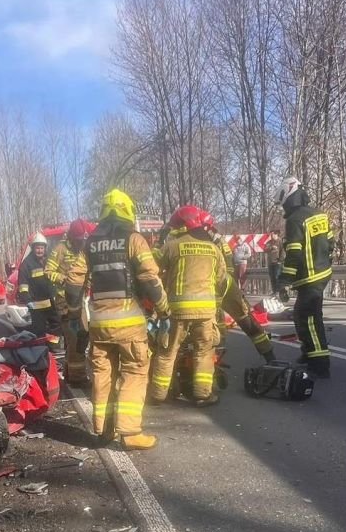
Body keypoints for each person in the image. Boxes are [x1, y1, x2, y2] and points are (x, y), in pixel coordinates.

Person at [66, 189, 169, 450]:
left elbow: (74, 281)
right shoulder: (134, 239)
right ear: (127, 210)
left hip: (99, 325)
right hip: (129, 324)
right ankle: (130, 432)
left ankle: (102, 429)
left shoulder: (90, 243)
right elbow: (149, 278)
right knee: (134, 372)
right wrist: (164, 309)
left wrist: (74, 314)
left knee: (102, 373)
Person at [148, 205, 226, 407]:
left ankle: (158, 395)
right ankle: (202, 394)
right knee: (203, 351)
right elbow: (222, 280)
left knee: (167, 352)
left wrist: (159, 241)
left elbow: (150, 266)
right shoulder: (214, 249)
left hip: (177, 311)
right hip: (205, 312)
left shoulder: (173, 246)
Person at [276, 176, 332, 378]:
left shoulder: (295, 220)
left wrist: (283, 282)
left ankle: (319, 362)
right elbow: (331, 242)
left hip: (309, 277)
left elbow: (294, 254)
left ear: (289, 198)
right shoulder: (320, 214)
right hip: (322, 272)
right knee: (302, 313)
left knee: (309, 319)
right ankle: (309, 353)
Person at [207, 214, 277, 363]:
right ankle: (269, 356)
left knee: (219, 322)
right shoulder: (217, 240)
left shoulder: (210, 241)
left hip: (216, 286)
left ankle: (215, 357)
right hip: (225, 284)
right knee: (245, 320)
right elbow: (229, 263)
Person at [46, 219, 93, 385]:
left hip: (81, 301)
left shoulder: (84, 250)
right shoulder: (60, 249)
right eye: (78, 239)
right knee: (75, 338)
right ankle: (77, 377)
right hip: (65, 302)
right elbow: (48, 271)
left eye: (83, 239)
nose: (81, 242)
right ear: (71, 236)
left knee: (81, 336)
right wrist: (64, 280)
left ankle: (69, 371)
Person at [17, 233, 58, 340]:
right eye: (37, 248)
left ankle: (54, 347)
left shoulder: (49, 261)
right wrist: (28, 300)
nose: (40, 250)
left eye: (42, 248)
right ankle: (41, 348)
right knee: (39, 330)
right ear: (33, 248)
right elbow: (23, 285)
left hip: (50, 302)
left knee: (56, 325)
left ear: (45, 248)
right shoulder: (27, 264)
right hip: (36, 305)